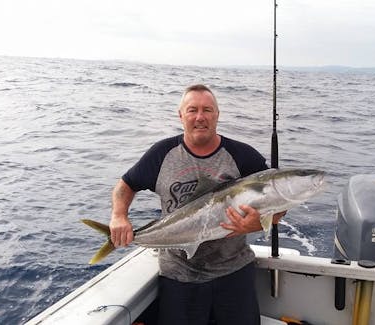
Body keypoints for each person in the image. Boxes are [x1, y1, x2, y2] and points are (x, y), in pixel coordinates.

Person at [109, 84, 284, 325]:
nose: (200, 117)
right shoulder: (162, 153)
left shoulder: (243, 156)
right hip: (179, 277)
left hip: (234, 273)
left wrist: (259, 223)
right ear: (181, 115)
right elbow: (125, 186)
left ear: (217, 115)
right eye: (192, 110)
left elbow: (278, 207)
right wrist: (119, 216)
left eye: (207, 110)